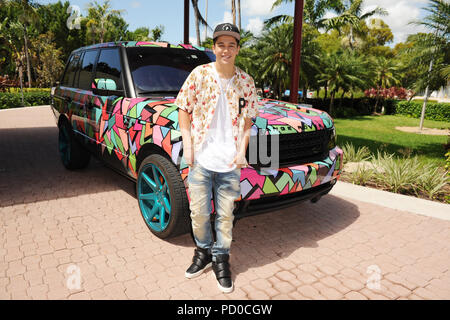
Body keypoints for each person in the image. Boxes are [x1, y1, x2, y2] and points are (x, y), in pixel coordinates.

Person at [175, 22, 259, 293]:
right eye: (221, 44)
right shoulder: (199, 74)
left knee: (224, 216)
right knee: (198, 214)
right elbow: (183, 108)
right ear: (214, 48)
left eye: (231, 45)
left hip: (229, 162)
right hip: (201, 158)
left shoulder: (246, 82)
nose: (226, 49)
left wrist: (241, 152)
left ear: (237, 49)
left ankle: (221, 259)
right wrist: (188, 145)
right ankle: (202, 253)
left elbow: (248, 121)